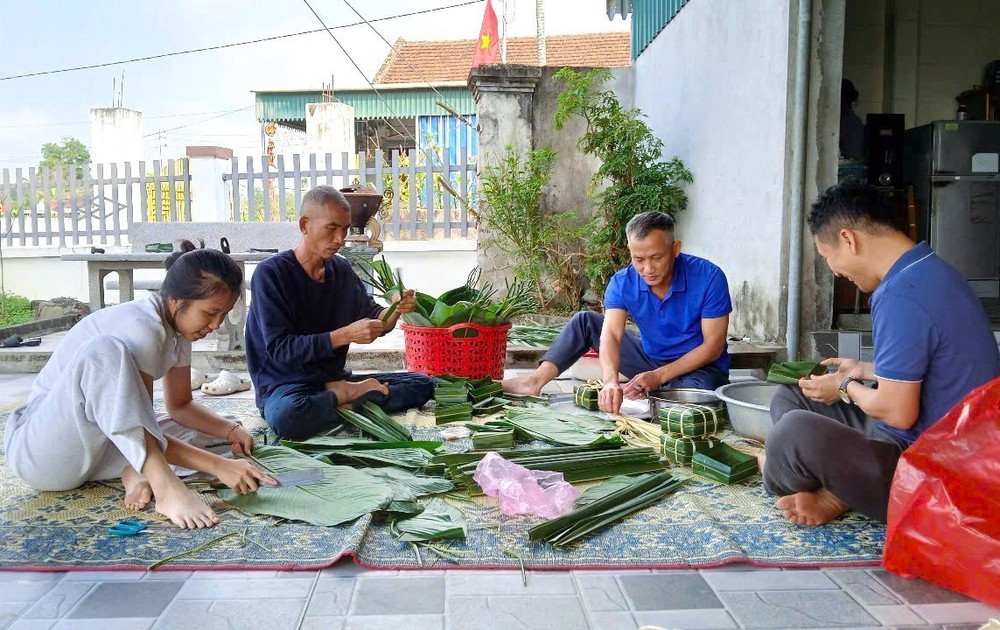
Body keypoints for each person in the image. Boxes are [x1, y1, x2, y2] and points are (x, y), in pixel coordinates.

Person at [763, 182, 1000, 526]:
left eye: (828, 258)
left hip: (930, 471)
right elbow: (936, 366)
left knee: (791, 434)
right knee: (793, 395)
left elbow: (898, 412)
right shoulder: (931, 270)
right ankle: (839, 490)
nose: (834, 271)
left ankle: (784, 472)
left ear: (848, 239)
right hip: (937, 441)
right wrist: (865, 369)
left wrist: (844, 386)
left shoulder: (900, 294)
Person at [4, 241, 276, 530]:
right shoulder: (142, 326)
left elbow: (181, 406)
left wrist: (230, 429)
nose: (216, 325)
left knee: (217, 436)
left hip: (97, 449)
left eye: (223, 315)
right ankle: (164, 487)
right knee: (103, 351)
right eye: (210, 313)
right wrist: (218, 466)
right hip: (42, 455)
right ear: (176, 300)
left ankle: (135, 469)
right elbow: (143, 431)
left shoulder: (180, 330)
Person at [244, 185, 434, 440]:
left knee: (422, 384)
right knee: (287, 417)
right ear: (304, 225)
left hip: (332, 380)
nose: (340, 239)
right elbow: (281, 350)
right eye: (331, 229)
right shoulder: (271, 274)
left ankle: (342, 398)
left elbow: (377, 318)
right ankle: (349, 395)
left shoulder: (341, 270)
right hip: (286, 387)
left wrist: (396, 309)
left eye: (344, 230)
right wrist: (345, 335)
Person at [503, 211, 732, 414]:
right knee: (585, 321)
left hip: (700, 369)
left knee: (692, 399)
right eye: (638, 259)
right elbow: (611, 334)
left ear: (675, 249)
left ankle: (658, 392)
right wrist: (610, 381)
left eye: (657, 258)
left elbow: (713, 346)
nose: (648, 269)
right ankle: (533, 381)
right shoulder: (622, 282)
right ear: (630, 251)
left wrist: (659, 376)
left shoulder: (709, 277)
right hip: (651, 360)